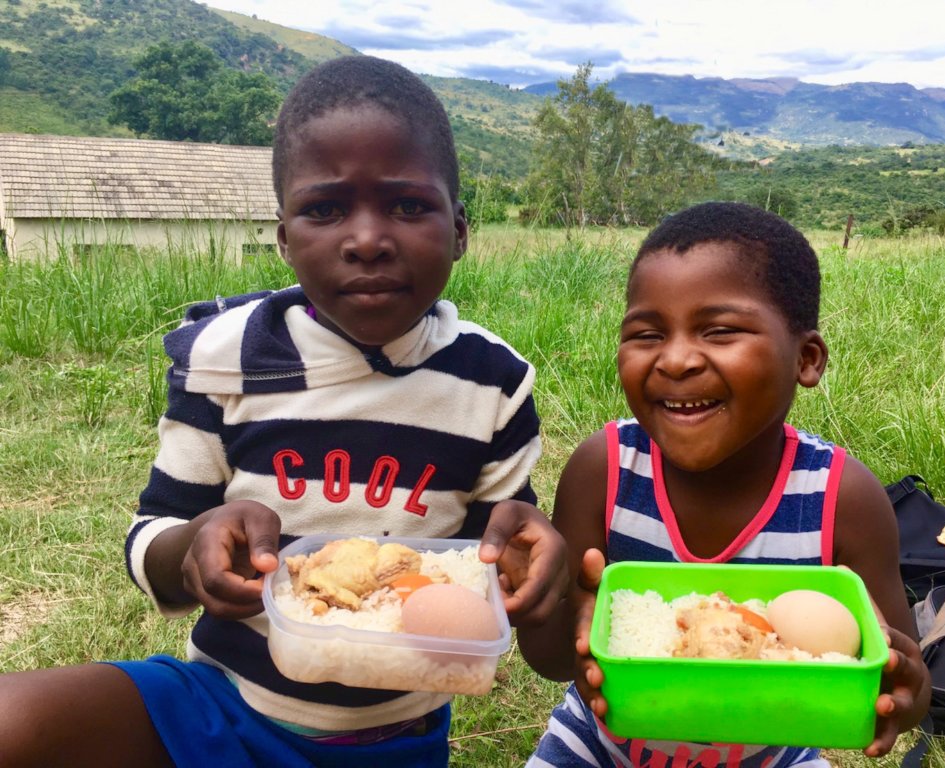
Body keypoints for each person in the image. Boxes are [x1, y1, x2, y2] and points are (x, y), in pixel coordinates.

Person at [0, 55, 567, 768]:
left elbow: (488, 571)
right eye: (325, 210)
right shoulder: (226, 362)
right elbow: (150, 540)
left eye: (407, 205)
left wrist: (529, 562)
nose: (366, 239)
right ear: (284, 238)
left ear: (459, 229)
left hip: (394, 739)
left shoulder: (491, 382)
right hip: (220, 706)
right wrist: (195, 546)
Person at [518, 202, 930, 768]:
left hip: (772, 755)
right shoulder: (605, 469)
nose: (677, 359)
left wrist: (901, 695)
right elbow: (551, 659)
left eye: (720, 331)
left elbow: (897, 673)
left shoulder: (842, 498)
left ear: (806, 360)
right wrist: (551, 607)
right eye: (646, 333)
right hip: (599, 745)